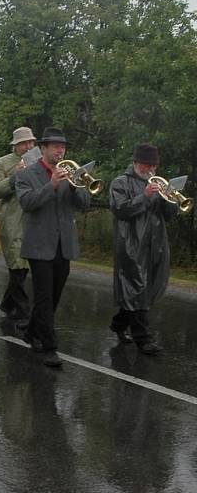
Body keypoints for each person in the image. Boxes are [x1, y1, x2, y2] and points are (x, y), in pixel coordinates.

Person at [15, 127, 90, 368]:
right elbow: (27, 203)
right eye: (55, 146)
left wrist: (77, 183)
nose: (60, 150)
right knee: (45, 296)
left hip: (63, 244)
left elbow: (84, 204)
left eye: (63, 146)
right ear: (43, 149)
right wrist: (52, 185)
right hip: (39, 245)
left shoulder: (70, 172)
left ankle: (32, 332)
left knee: (54, 294)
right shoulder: (27, 174)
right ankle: (49, 347)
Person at [108, 143, 177, 355]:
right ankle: (143, 339)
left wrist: (170, 198)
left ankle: (119, 323)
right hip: (131, 244)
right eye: (147, 165)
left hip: (156, 244)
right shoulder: (120, 182)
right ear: (136, 162)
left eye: (153, 166)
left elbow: (169, 215)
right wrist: (145, 196)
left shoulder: (158, 184)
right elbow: (121, 210)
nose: (150, 169)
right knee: (137, 286)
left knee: (144, 288)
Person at [0, 126, 37, 323]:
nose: (28, 146)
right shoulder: (2, 163)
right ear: (15, 145)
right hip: (13, 220)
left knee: (24, 268)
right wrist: (15, 176)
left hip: (34, 220)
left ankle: (8, 303)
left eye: (31, 142)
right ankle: (25, 314)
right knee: (16, 266)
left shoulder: (40, 161)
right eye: (24, 143)